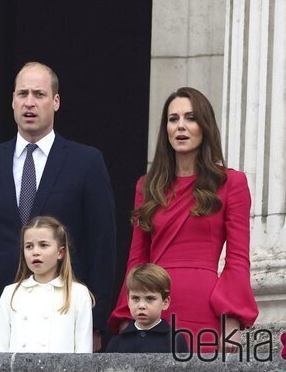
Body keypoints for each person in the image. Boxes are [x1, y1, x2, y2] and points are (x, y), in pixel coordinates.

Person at [0, 61, 116, 350]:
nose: (29, 102)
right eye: (22, 94)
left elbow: (102, 246)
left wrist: (95, 322)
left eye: (39, 94)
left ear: (56, 101)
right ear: (12, 101)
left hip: (65, 315)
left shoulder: (86, 162)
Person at [108, 87, 258, 352]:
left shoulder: (231, 183)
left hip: (205, 306)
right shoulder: (147, 186)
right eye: (173, 119)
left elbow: (237, 258)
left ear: (205, 126)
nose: (181, 126)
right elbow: (137, 258)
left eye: (190, 118)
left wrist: (232, 316)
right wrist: (126, 311)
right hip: (155, 305)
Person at [0, 216, 93, 352]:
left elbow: (84, 351)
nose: (35, 252)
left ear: (60, 252)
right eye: (29, 246)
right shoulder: (10, 293)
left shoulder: (78, 293)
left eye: (43, 245)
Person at [106, 264, 188, 354]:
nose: (141, 306)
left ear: (165, 302)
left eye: (150, 299)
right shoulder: (117, 342)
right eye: (135, 298)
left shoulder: (176, 340)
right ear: (128, 301)